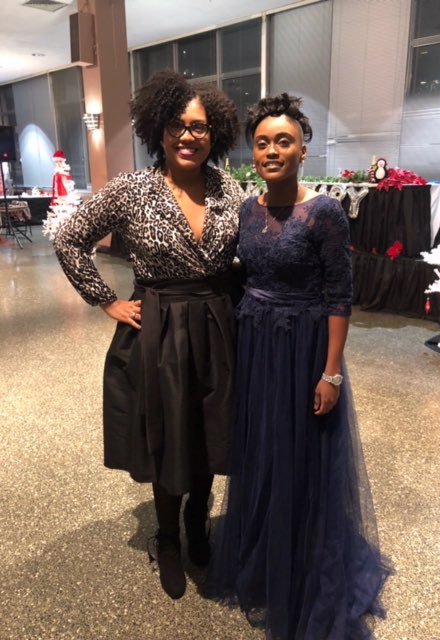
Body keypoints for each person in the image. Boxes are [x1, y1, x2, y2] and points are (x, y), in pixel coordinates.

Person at [54, 71, 244, 601]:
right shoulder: (132, 189)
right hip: (160, 328)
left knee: (211, 429)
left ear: (214, 134)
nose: (188, 136)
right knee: (169, 431)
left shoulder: (228, 188)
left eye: (199, 127)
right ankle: (167, 536)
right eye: (177, 125)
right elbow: (70, 238)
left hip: (217, 323)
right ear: (158, 129)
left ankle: (197, 525)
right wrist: (106, 300)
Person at [209, 94, 391, 639]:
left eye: (283, 141)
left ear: (303, 151)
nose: (271, 151)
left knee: (302, 455)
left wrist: (331, 372)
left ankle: (304, 560)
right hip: (257, 344)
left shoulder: (325, 212)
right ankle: (266, 549)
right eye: (262, 142)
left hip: (305, 348)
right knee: (265, 449)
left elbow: (340, 296)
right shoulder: (247, 208)